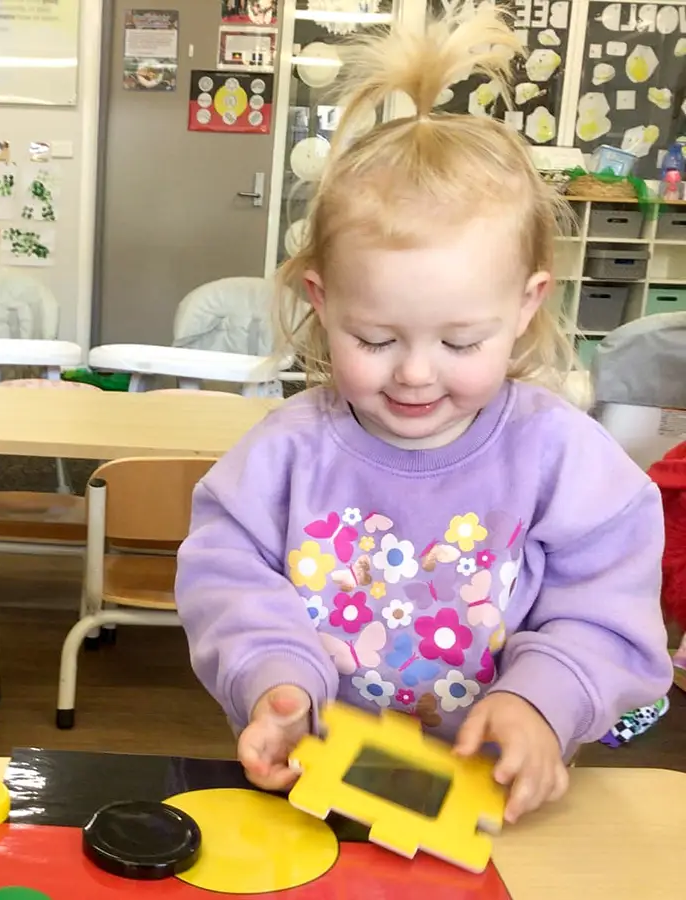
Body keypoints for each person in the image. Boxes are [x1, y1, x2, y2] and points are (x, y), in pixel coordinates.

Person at [174, 1, 672, 824]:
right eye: (373, 336)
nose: (413, 373)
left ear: (524, 307)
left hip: (492, 809)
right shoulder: (288, 451)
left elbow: (606, 612)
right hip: (312, 794)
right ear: (322, 304)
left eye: (460, 340)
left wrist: (543, 705)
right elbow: (225, 575)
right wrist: (276, 677)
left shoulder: (565, 460)